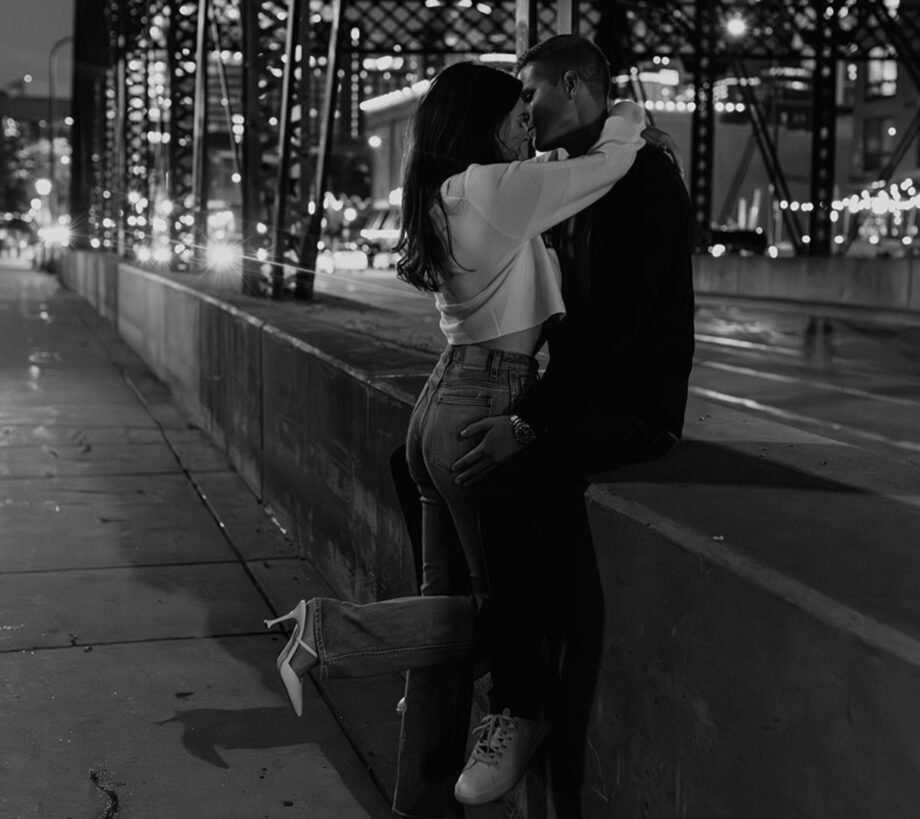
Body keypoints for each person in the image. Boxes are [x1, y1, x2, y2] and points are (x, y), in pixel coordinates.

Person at [263, 59, 648, 818]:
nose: (527, 130)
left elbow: (546, 175)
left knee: (443, 648)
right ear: (482, 125)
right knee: (504, 611)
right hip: (486, 401)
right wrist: (632, 115)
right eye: (515, 117)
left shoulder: (444, 194)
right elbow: (608, 165)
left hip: (438, 406)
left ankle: (419, 805)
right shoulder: (492, 189)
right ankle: (331, 633)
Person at [445, 34, 696, 818]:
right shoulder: (579, 179)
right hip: (585, 395)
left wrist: (527, 422)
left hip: (634, 408)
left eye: (533, 93)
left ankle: (519, 705)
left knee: (510, 479)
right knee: (437, 466)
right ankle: (483, 668)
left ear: (578, 85)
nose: (525, 109)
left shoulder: (646, 181)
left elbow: (614, 333)